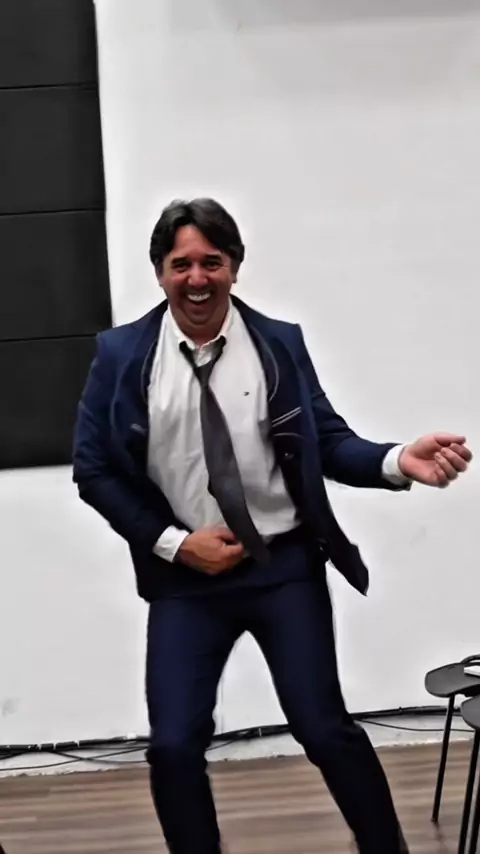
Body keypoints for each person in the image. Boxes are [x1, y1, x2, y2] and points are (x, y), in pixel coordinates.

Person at [73, 198, 472, 854]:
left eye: (211, 262)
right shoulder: (121, 356)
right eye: (181, 264)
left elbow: (328, 442)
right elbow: (94, 471)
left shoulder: (277, 344)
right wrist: (177, 544)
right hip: (184, 579)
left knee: (324, 728)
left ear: (234, 266)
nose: (196, 278)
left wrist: (398, 460)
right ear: (160, 272)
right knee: (173, 746)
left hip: (283, 566)